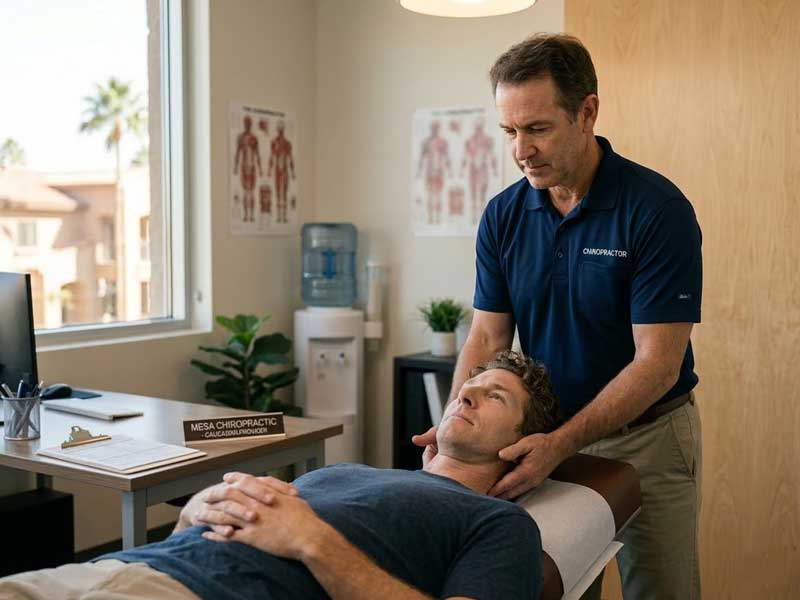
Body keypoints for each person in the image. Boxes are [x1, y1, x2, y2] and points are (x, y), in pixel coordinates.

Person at [413, 33, 703, 600]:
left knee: (662, 591)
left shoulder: (656, 210)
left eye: (538, 128)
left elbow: (658, 364)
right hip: (539, 440)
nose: (522, 150)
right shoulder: (504, 215)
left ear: (587, 111)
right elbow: (488, 335)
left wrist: (562, 444)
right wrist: (455, 420)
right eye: (510, 132)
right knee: (559, 588)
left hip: (646, 436)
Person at [0, 351, 561, 600]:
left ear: (519, 446)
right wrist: (196, 512)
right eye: (471, 385)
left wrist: (313, 541)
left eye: (495, 397)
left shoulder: (498, 523)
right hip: (112, 569)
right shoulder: (348, 470)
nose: (467, 391)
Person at [233, 115, 263, 223]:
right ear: (244, 124)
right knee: (246, 192)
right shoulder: (240, 137)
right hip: (244, 166)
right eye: (246, 123)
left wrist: (260, 169)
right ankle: (246, 215)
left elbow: (257, 154)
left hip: (252, 167)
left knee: (252, 192)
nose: (247, 125)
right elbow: (237, 153)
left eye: (249, 123)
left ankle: (252, 216)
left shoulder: (254, 138)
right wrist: (235, 167)